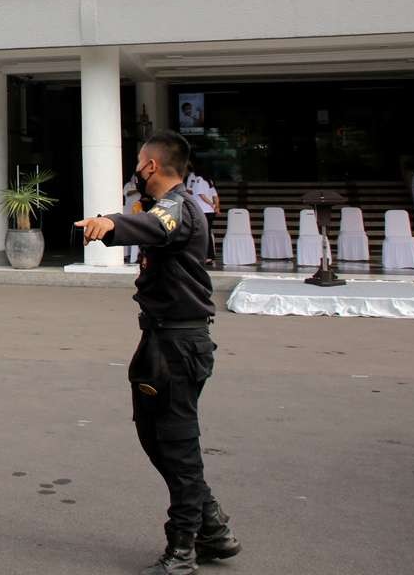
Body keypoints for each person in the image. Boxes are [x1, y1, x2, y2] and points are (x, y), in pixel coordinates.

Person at [76, 131, 240, 575]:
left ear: (150, 165)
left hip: (178, 344)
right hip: (162, 340)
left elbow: (156, 226)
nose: (136, 168)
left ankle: (183, 548)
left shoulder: (178, 207)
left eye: (138, 162)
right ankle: (213, 527)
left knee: (177, 446)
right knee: (156, 436)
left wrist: (109, 224)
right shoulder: (171, 205)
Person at [184, 163, 220, 267]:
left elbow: (201, 194)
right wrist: (215, 206)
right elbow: (215, 195)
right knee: (207, 233)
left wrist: (211, 204)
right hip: (210, 211)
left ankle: (207, 256)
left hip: (202, 210)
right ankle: (209, 256)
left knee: (203, 233)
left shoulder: (199, 179)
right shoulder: (210, 181)